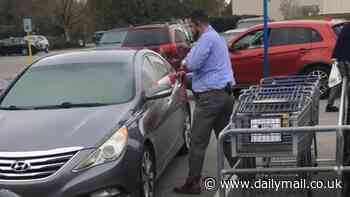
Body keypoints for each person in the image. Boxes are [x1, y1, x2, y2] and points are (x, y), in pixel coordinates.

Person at [173, 9, 236, 195]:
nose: (190, 29)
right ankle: (245, 173)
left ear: (198, 25)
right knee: (224, 138)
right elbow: (207, 69)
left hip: (210, 99)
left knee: (197, 143)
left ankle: (193, 184)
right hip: (224, 95)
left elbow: (192, 63)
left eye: (191, 26)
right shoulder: (216, 37)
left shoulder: (206, 39)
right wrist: (189, 76)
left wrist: (184, 63)